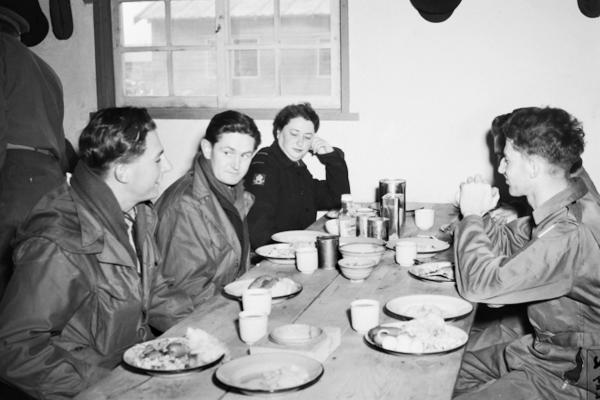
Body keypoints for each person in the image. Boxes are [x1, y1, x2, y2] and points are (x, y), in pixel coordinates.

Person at [0, 107, 171, 399]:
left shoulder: (136, 214)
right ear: (123, 171)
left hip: (133, 372)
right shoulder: (59, 241)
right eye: (157, 159)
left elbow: (153, 292)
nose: (166, 166)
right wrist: (111, 387)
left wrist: (203, 332)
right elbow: (15, 349)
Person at [452, 107, 600, 399]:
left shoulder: (569, 233)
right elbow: (509, 241)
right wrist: (482, 217)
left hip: (573, 374)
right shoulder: (564, 206)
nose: (502, 168)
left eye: (508, 159)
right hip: (546, 352)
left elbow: (479, 287)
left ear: (532, 167)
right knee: (444, 371)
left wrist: (470, 215)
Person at [150, 110, 260, 332]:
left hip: (222, 310)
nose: (236, 165)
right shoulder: (186, 206)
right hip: (194, 325)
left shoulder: (232, 192)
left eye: (245, 155)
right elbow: (184, 293)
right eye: (228, 152)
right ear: (207, 149)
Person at [0, 1, 69, 301]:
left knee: (6, 286)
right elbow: (59, 136)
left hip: (14, 178)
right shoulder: (44, 68)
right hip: (51, 182)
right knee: (38, 282)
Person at [244, 103, 350, 249]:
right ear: (278, 133)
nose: (300, 142)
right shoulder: (265, 165)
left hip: (298, 252)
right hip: (274, 257)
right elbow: (258, 234)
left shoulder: (296, 166)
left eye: (307, 137)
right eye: (294, 134)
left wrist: (331, 158)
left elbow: (337, 199)